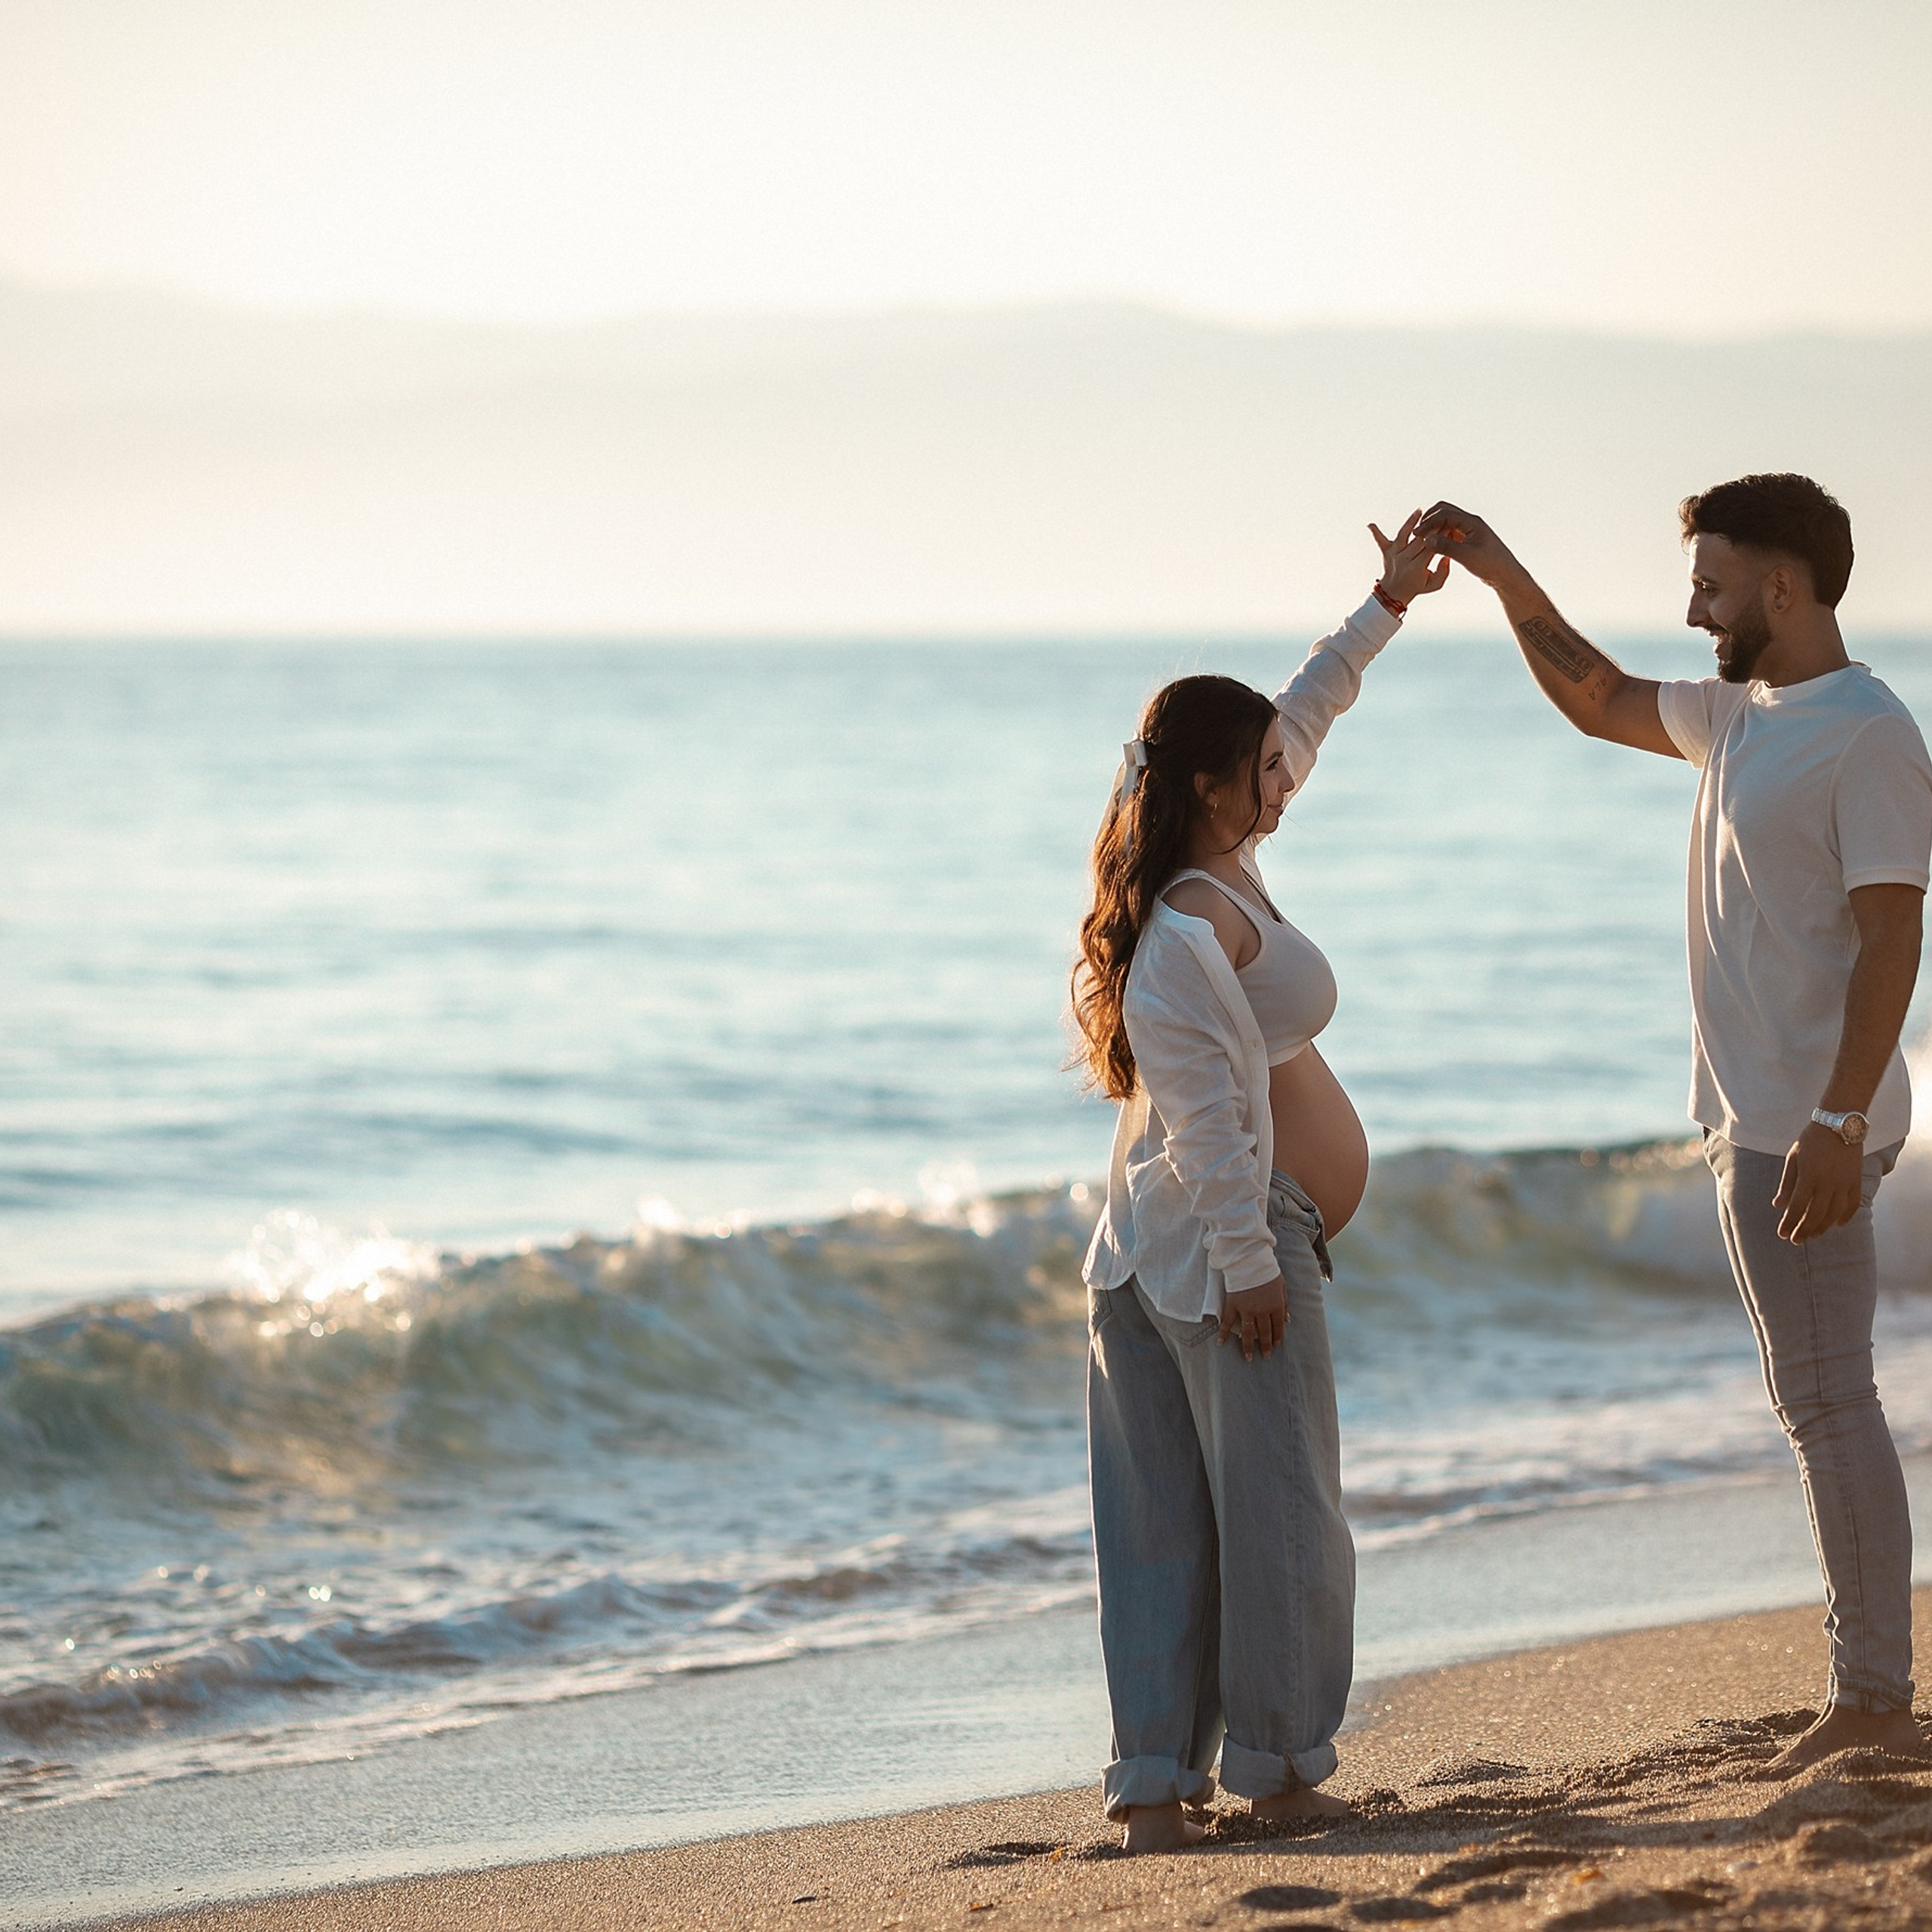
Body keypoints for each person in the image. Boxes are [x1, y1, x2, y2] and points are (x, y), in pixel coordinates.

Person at [1420, 475, 1932, 1774]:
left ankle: (1873, 1698)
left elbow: (1894, 938)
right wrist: (1496, 569)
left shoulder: (1869, 735)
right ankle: (1867, 1682)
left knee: (1829, 1401)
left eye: (1711, 582)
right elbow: (1595, 698)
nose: (1692, 605)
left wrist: (1838, 1115)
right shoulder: (1738, 716)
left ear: (1782, 586)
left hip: (1812, 1124)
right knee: (1814, 1396)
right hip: (1756, 1119)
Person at [1072, 514, 1449, 1852]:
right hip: (1214, 1254)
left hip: (1154, 1258)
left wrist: (1385, 603)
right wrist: (1250, 1265)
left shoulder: (1226, 851)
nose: (1283, 784)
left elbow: (1308, 709)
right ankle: (1281, 1775)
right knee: (1281, 1518)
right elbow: (1200, 1127)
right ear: (1205, 791)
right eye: (1259, 776)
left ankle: (1157, 1792)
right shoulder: (1179, 933)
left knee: (1167, 1528)